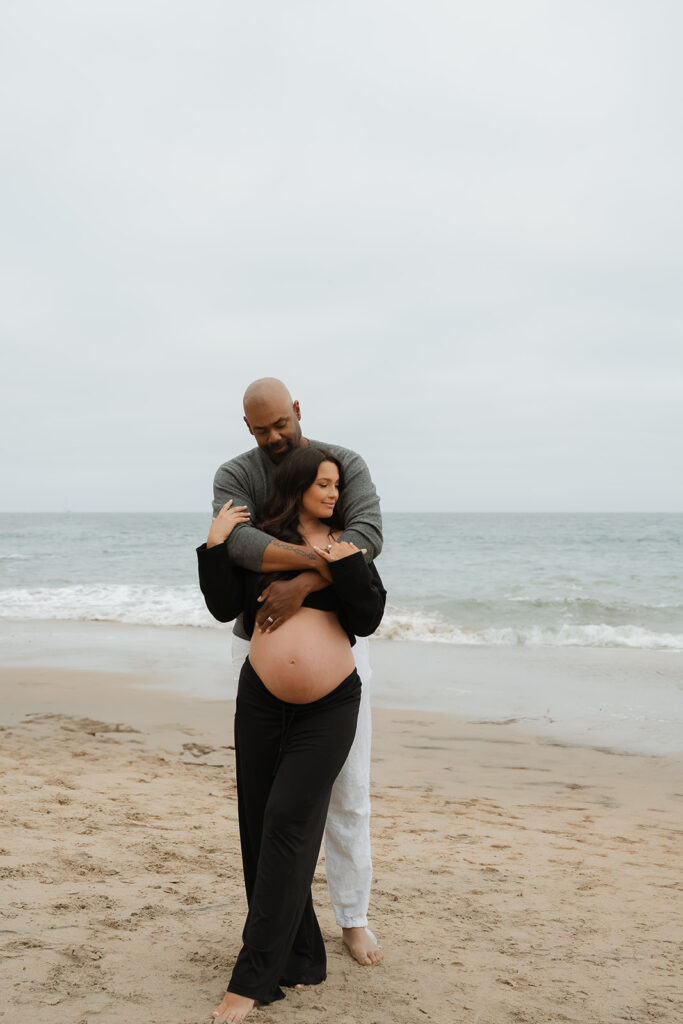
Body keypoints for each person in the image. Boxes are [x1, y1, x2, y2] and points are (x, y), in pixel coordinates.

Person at [197, 447, 386, 1022]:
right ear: (300, 485)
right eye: (324, 485)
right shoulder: (264, 543)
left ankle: (250, 980)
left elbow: (369, 615)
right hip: (260, 698)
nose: (335, 493)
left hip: (329, 705)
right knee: (258, 822)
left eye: (337, 485)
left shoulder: (344, 544)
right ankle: (301, 955)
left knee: (287, 819)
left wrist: (319, 573)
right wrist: (213, 544)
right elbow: (222, 604)